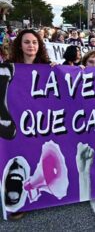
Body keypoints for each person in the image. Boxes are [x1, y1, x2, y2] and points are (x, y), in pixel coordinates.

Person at [7, 29, 51, 219]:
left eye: (34, 42)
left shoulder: (48, 68)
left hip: (40, 123)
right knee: (17, 157)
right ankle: (18, 201)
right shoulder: (9, 68)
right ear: (20, 45)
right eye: (26, 42)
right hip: (17, 121)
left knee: (35, 157)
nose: (31, 46)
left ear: (39, 45)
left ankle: (39, 195)